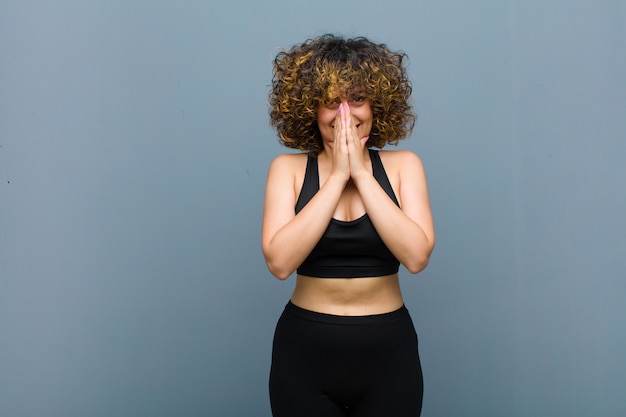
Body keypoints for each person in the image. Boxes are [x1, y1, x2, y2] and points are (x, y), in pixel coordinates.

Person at [262, 34, 435, 417]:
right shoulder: (286, 170)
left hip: (389, 355)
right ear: (310, 108)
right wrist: (339, 176)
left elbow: (417, 255)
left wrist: (361, 171)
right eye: (331, 102)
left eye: (357, 99)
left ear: (377, 105)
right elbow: (280, 263)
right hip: (303, 354)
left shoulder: (405, 166)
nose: (346, 114)